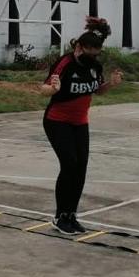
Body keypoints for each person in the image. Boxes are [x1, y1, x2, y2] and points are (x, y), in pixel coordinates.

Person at [40, 17, 123, 235]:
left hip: (80, 122)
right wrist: (53, 89)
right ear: (79, 47)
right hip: (57, 120)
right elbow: (44, 88)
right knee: (69, 164)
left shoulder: (95, 66)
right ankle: (59, 216)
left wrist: (110, 85)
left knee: (81, 168)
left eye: (96, 54)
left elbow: (96, 90)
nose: (93, 57)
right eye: (89, 53)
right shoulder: (65, 62)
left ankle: (71, 215)